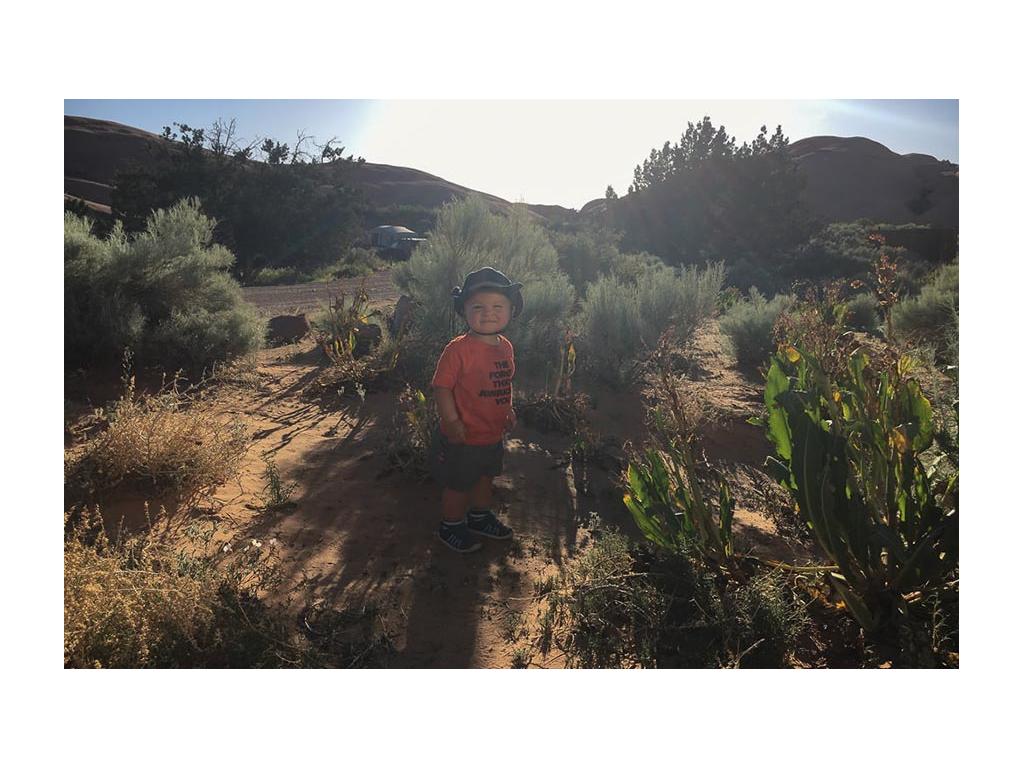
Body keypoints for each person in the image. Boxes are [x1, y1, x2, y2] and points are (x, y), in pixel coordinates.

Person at [429, 267, 522, 553]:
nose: (488, 313)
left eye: (498, 306)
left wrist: (508, 409)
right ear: (464, 310)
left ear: (511, 309)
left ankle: (479, 518)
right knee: (458, 484)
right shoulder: (458, 350)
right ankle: (451, 525)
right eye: (478, 306)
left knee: (485, 477)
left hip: (491, 434)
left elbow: (503, 381)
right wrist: (451, 419)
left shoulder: (505, 346)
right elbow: (442, 387)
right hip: (463, 436)